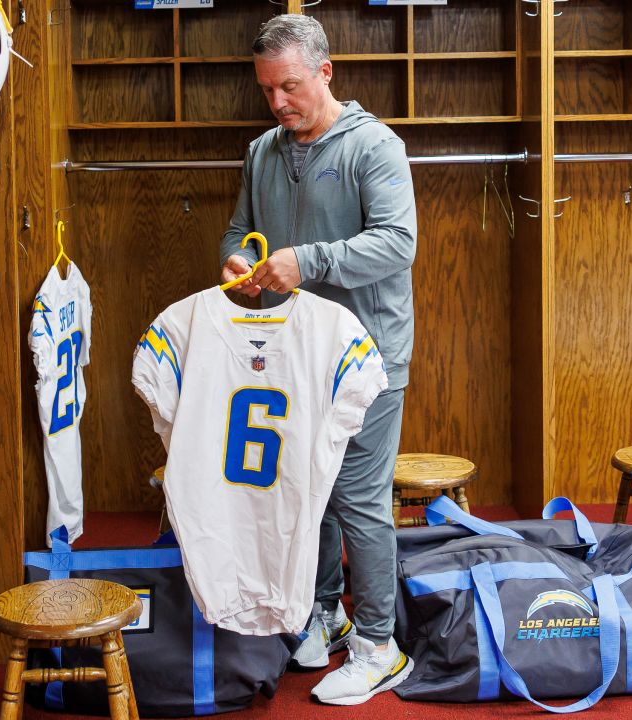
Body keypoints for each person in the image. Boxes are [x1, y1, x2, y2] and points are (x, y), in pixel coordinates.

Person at [218, 14, 418, 706]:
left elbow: (398, 244)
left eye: (290, 87)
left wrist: (308, 262)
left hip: (366, 360)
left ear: (325, 73)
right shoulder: (263, 151)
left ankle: (378, 645)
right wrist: (238, 260)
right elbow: (241, 228)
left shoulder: (375, 147)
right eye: (268, 90)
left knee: (360, 502)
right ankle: (326, 611)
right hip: (292, 354)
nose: (278, 103)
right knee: (310, 490)